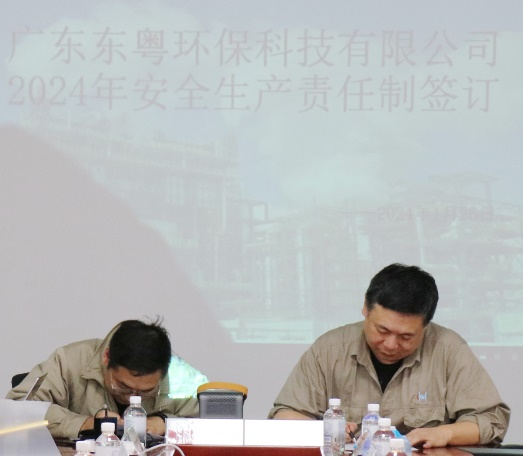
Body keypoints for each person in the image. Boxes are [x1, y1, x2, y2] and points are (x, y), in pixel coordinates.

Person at [268, 263, 510, 448]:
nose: (391, 345)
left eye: (406, 336)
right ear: (365, 308)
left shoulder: (449, 350)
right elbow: (284, 414)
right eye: (382, 330)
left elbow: (492, 420)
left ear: (426, 326)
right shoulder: (329, 349)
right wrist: (323, 430)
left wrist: (444, 433)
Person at [6, 318, 203, 440]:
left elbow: (212, 421)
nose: (132, 397)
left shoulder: (180, 376)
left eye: (146, 391)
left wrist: (166, 423)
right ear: (107, 357)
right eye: (123, 387)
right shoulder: (68, 361)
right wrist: (84, 424)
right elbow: (16, 409)